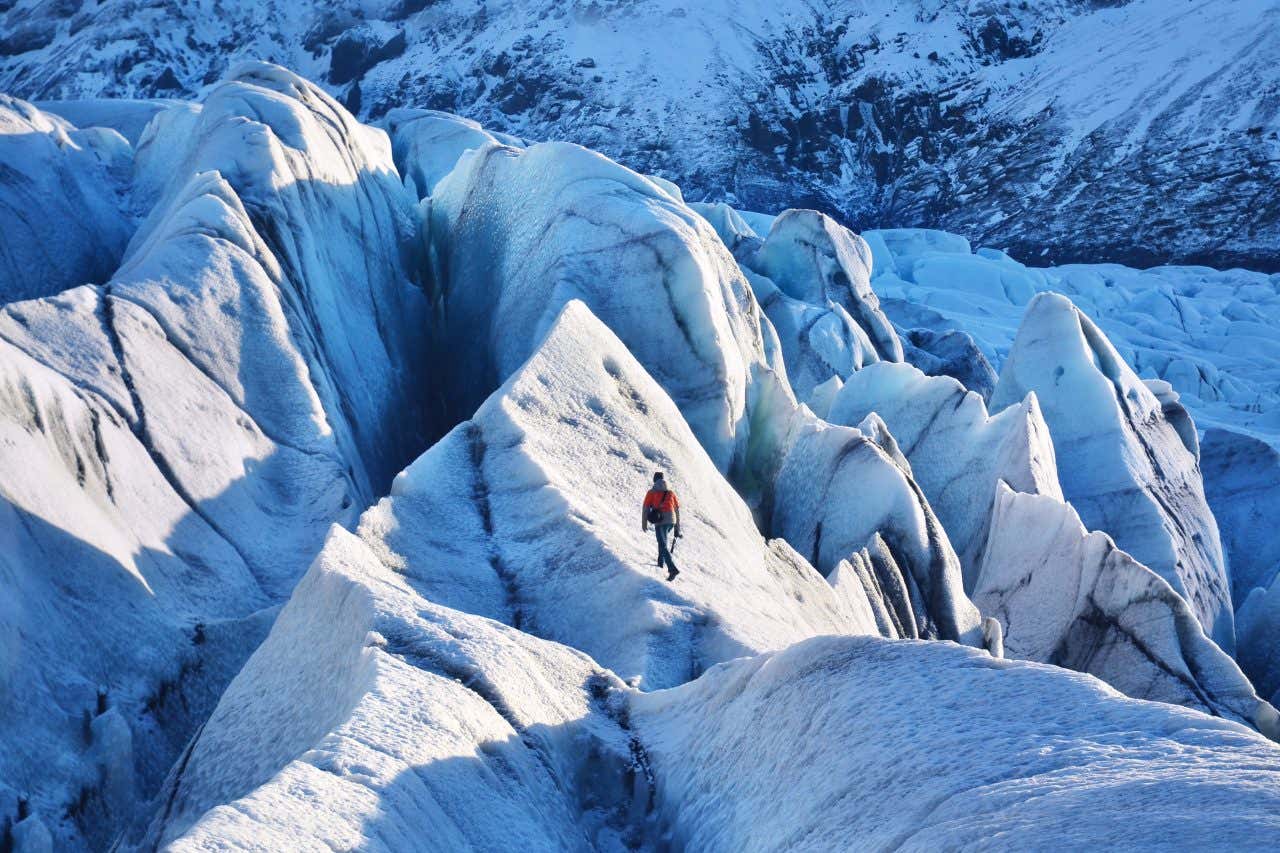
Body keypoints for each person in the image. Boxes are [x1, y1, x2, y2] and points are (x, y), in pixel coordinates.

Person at [642, 472, 682, 581]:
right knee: (662, 542)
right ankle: (660, 563)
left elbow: (645, 508)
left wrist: (644, 523)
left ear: (655, 480)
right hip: (671, 520)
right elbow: (677, 509)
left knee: (662, 544)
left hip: (660, 521)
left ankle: (672, 569)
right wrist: (677, 527)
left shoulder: (651, 492)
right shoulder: (670, 492)